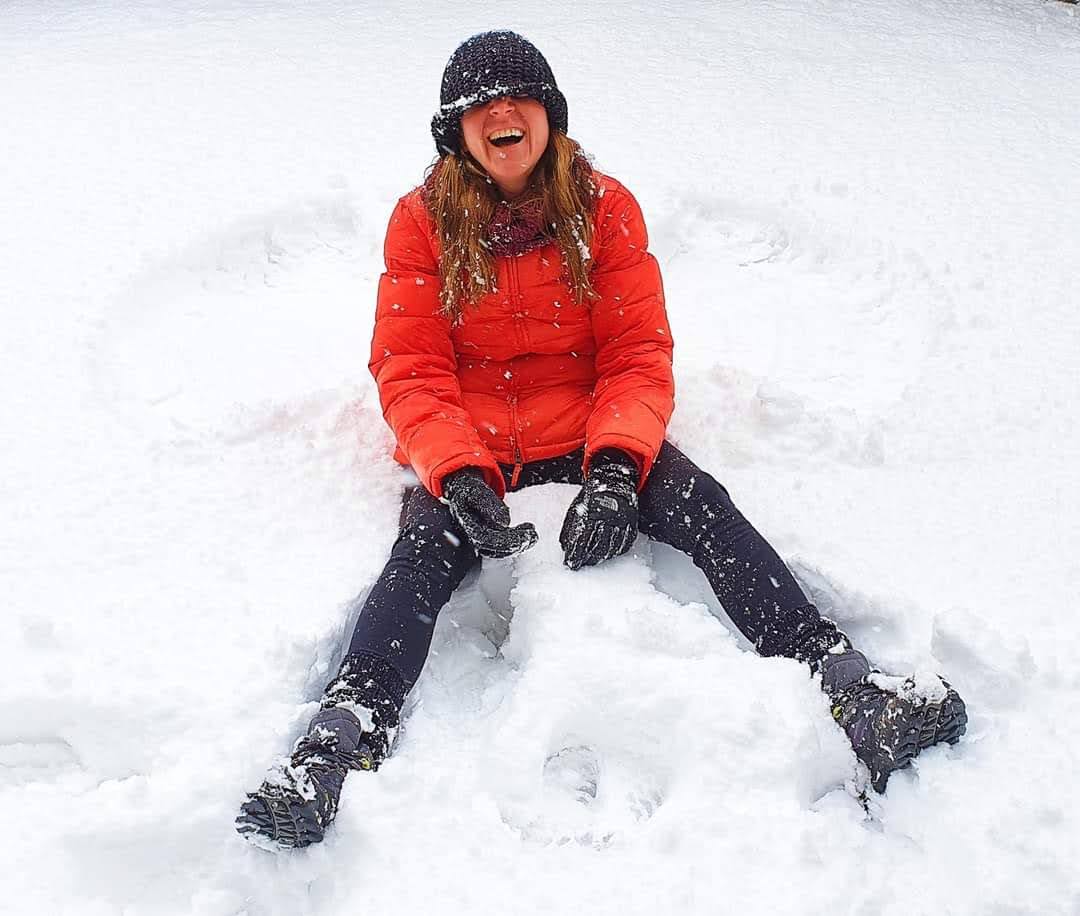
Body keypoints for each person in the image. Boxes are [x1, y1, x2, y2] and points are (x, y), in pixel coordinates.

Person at [236, 30, 967, 849]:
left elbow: (636, 354)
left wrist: (617, 468)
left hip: (589, 432)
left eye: (518, 98)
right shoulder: (421, 224)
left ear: (549, 116)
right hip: (475, 446)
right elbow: (409, 369)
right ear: (455, 132)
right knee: (418, 561)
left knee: (705, 509)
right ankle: (335, 746)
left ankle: (849, 688)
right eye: (478, 106)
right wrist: (458, 472)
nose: (500, 114)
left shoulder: (603, 207)